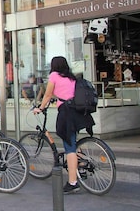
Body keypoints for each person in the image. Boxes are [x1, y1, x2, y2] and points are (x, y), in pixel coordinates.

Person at [32, 56, 94, 194]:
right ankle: (80, 164)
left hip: (67, 113)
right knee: (72, 140)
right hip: (78, 111)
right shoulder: (71, 77)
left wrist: (40, 108)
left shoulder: (54, 76)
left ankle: (73, 182)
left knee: (69, 147)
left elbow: (47, 95)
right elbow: (63, 93)